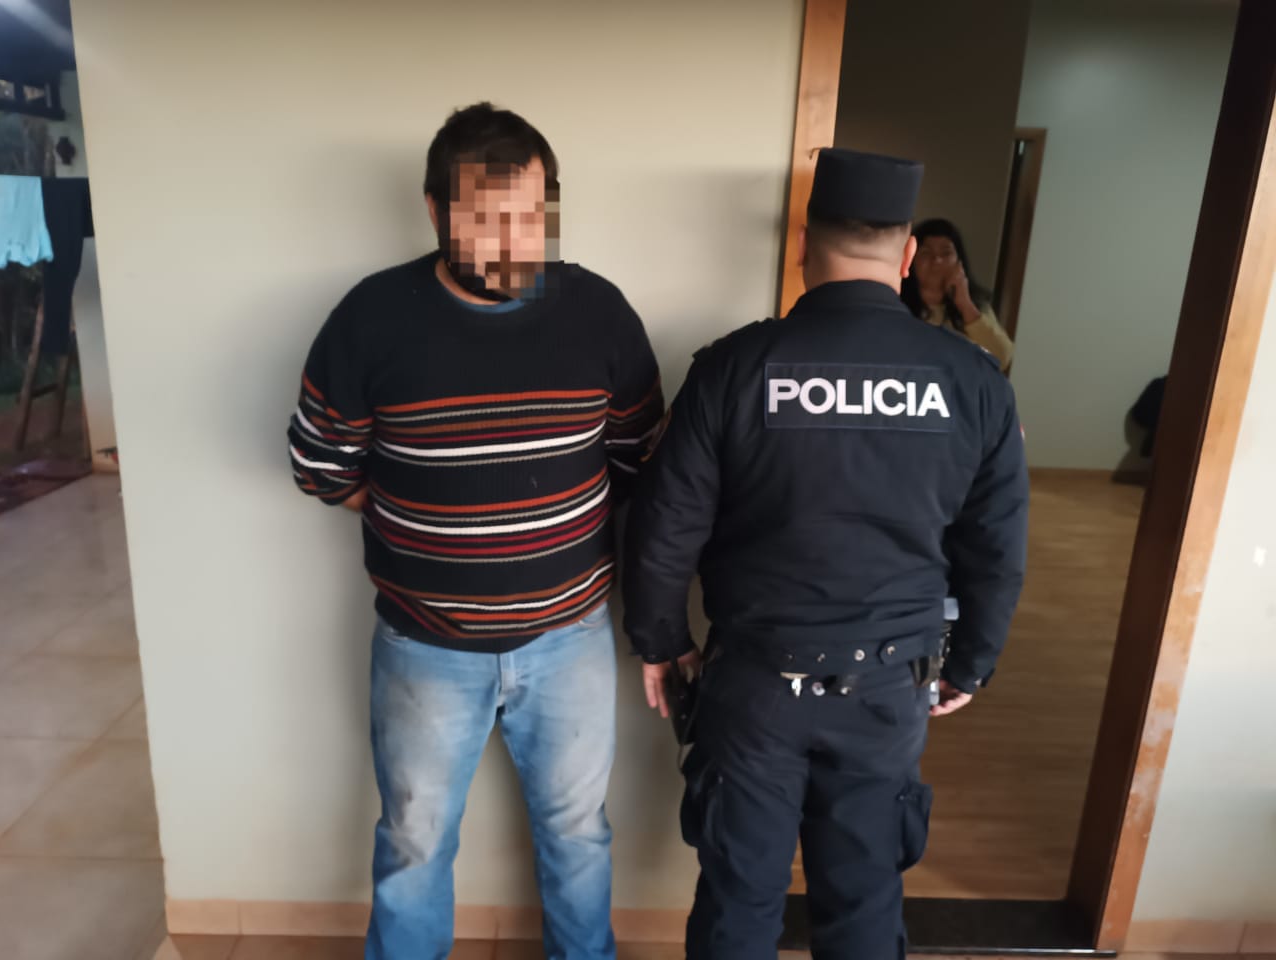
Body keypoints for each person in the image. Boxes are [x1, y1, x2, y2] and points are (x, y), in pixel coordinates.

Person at [623, 148, 1029, 960]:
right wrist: (972, 663)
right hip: (890, 687)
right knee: (864, 900)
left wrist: (662, 642)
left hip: (753, 687)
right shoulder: (972, 380)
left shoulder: (734, 367)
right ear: (907, 256)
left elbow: (664, 525)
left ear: (804, 246)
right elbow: (996, 544)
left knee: (738, 903)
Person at [287, 102, 664, 960]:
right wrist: (426, 513)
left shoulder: (599, 313)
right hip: (423, 645)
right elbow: (321, 467)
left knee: (580, 833)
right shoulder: (372, 318)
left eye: (529, 216)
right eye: (483, 218)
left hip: (570, 638)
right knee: (414, 841)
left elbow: (639, 456)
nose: (510, 241)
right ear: (434, 210)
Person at [900, 217, 1014, 372]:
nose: (937, 259)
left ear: (959, 262)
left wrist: (964, 304)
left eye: (946, 253)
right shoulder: (896, 303)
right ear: (911, 260)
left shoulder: (975, 306)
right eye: (926, 253)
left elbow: (1002, 357)